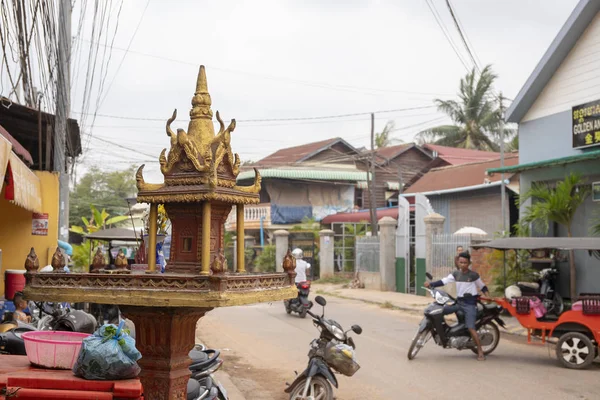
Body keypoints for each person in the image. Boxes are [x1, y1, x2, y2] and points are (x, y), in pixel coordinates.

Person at [425, 251, 490, 361]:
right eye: (461, 262)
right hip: (459, 303)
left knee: (471, 327)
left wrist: (488, 296)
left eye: (465, 262)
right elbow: (444, 281)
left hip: (470, 305)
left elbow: (483, 287)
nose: (463, 264)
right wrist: (431, 284)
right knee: (439, 311)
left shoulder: (473, 275)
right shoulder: (456, 274)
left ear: (469, 263)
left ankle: (479, 350)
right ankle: (444, 335)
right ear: (458, 263)